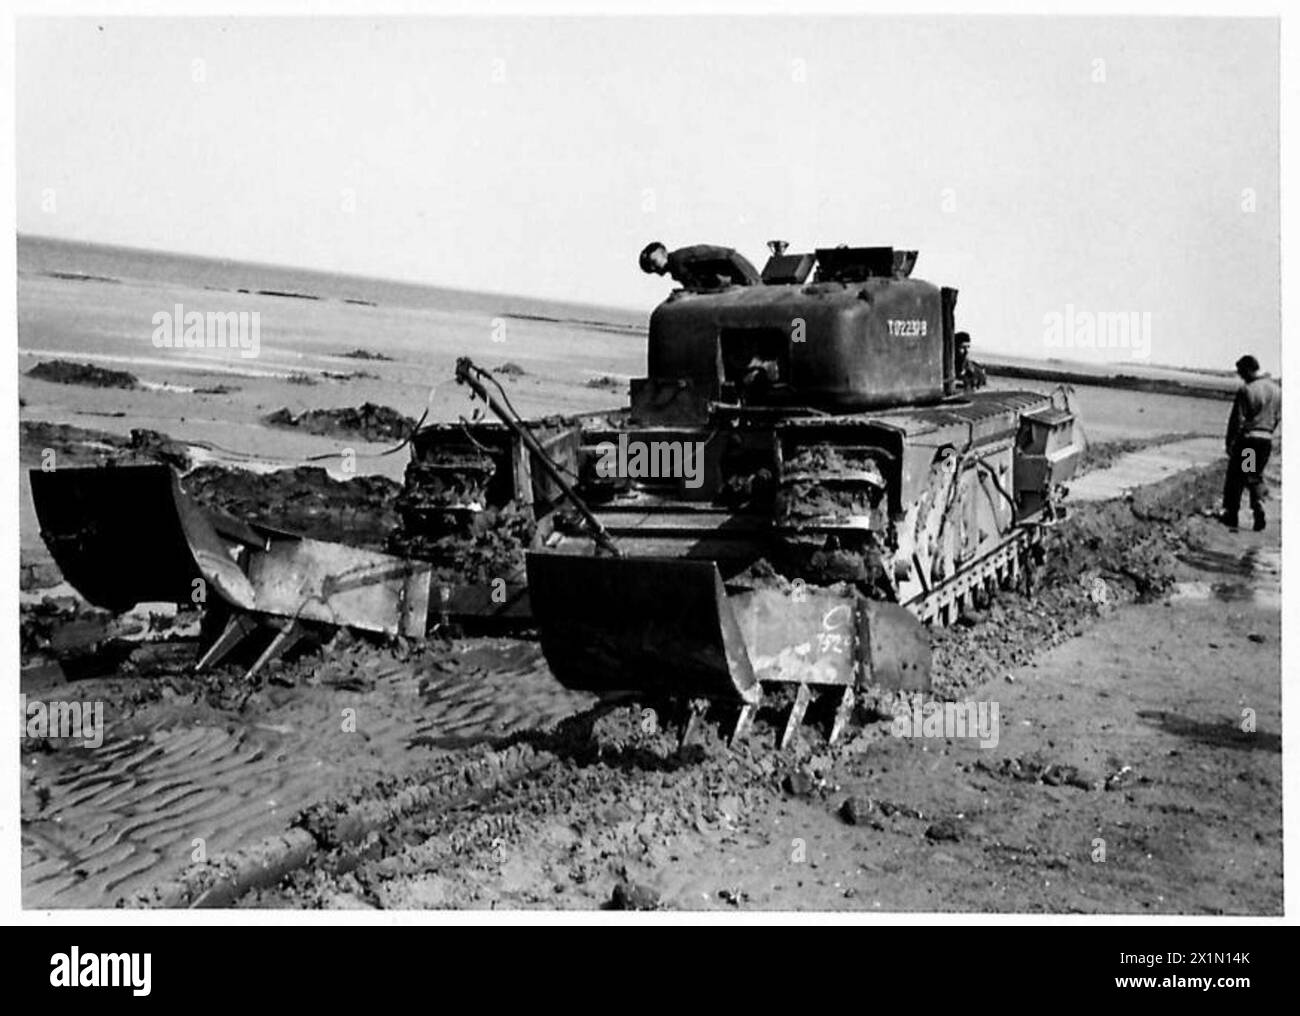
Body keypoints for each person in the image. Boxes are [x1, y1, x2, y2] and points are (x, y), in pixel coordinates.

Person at [1222, 354, 1280, 531]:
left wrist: (1230, 442)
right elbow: (1278, 418)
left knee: (1238, 477)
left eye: (1240, 372)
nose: (1240, 376)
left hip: (1249, 441)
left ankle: (1234, 514)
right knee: (1255, 475)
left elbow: (1236, 420)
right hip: (1266, 440)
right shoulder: (1277, 390)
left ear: (1247, 370)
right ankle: (1258, 505)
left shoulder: (1247, 390)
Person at [639, 242, 761, 290]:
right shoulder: (677, 261)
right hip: (737, 265)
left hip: (738, 267)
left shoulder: (676, 263)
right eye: (650, 268)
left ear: (664, 254)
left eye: (654, 263)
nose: (654, 269)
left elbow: (695, 287)